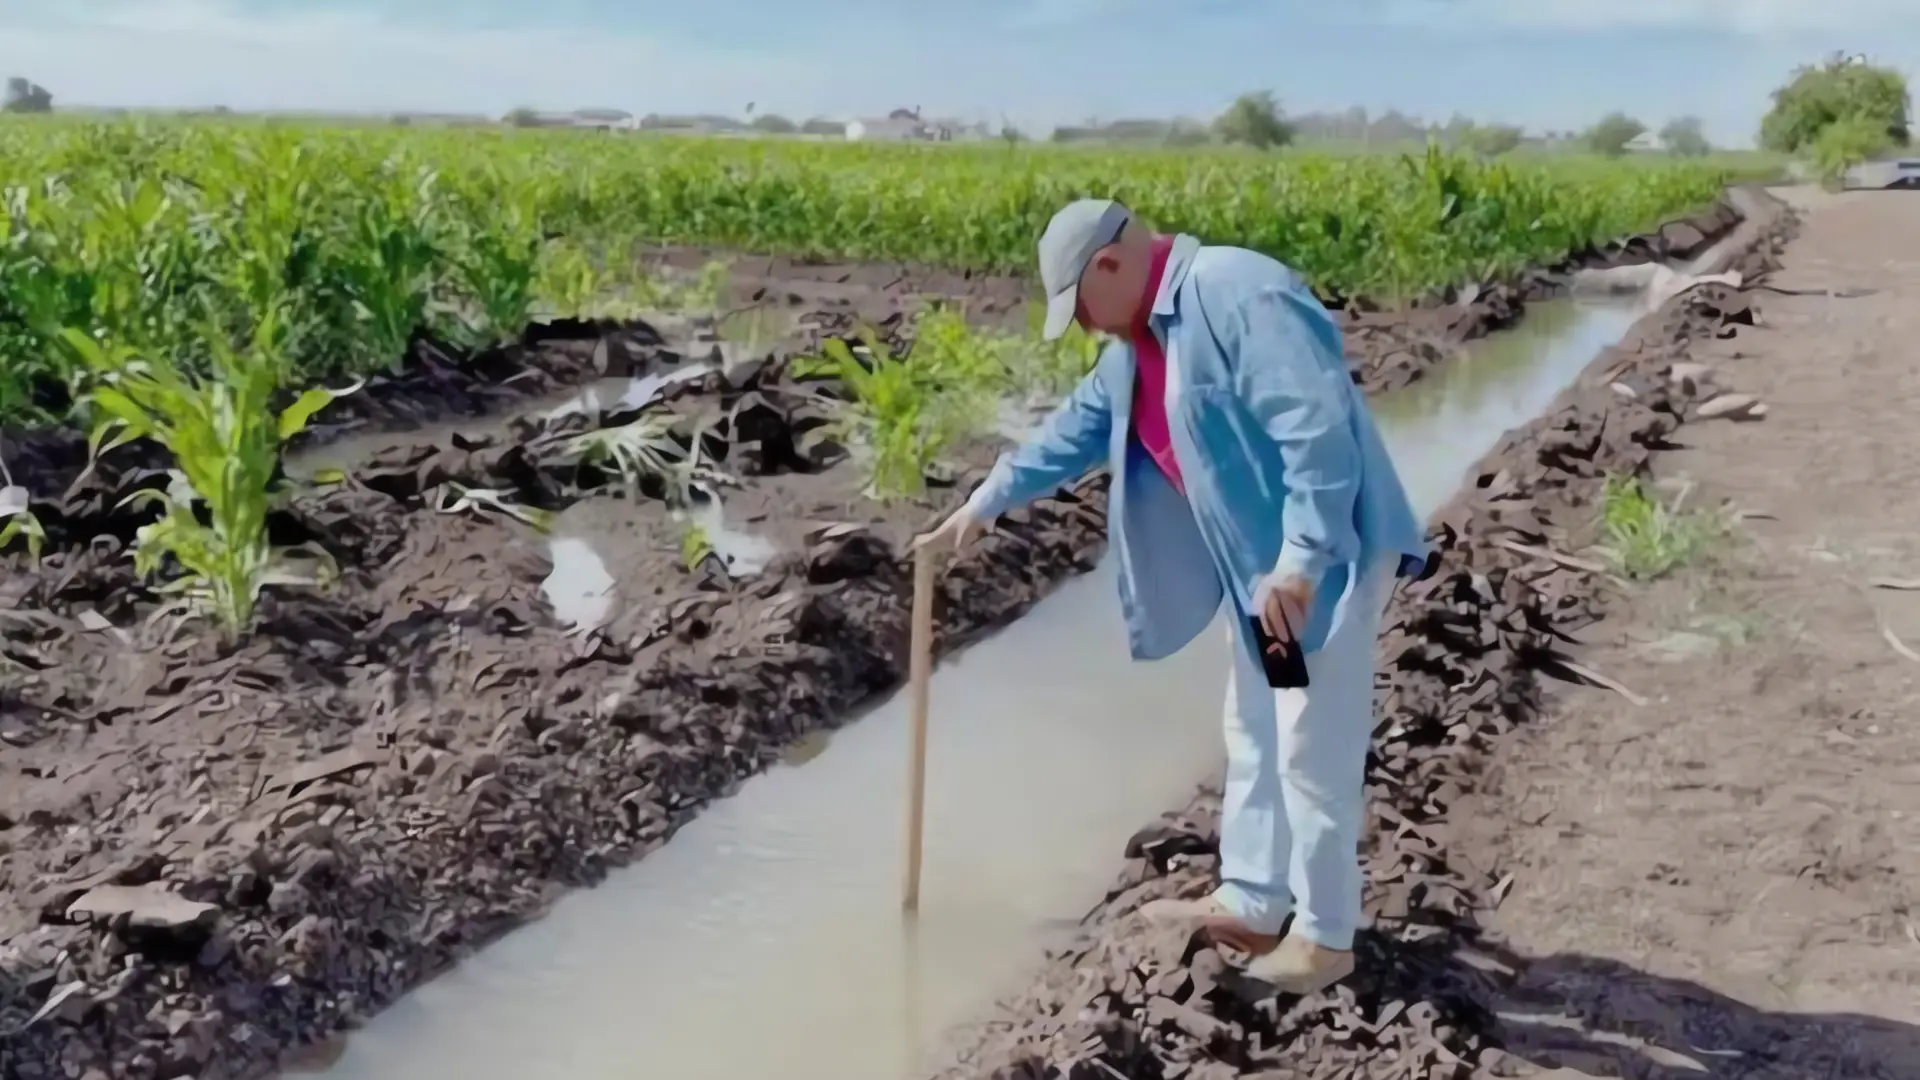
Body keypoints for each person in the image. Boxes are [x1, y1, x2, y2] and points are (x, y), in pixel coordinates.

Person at [917, 198, 1430, 995]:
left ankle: (1327, 939)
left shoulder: (1237, 293)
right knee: (1256, 726)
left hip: (1318, 563)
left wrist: (1300, 560)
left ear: (1112, 266)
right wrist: (989, 497)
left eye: (1083, 306)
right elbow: (1079, 425)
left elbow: (1316, 431)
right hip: (1255, 574)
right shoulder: (1140, 342)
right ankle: (1256, 901)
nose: (1089, 328)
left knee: (1308, 745)